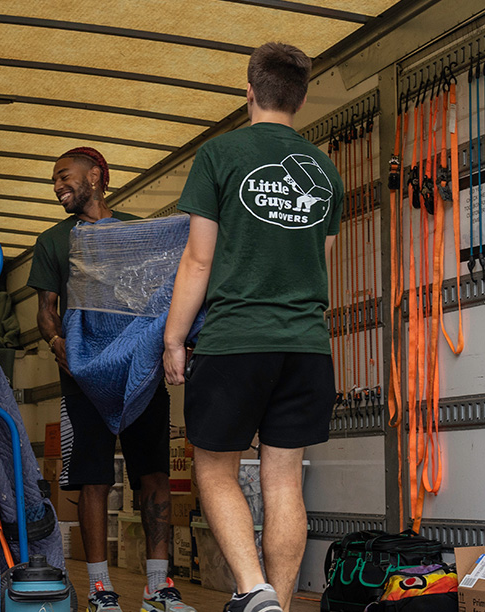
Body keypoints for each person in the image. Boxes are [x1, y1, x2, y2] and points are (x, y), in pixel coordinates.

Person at [162, 43, 343, 612]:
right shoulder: (326, 170)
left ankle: (254, 590)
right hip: (306, 347)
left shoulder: (220, 156)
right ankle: (279, 607)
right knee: (284, 480)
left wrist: (172, 336)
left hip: (235, 341)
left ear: (248, 90)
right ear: (302, 97)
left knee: (214, 469)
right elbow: (324, 256)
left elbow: (197, 260)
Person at [28, 147, 193, 612]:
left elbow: (173, 290)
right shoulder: (53, 240)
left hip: (140, 371)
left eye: (64, 176)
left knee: (155, 474)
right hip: (84, 377)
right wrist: (59, 345)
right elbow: (46, 311)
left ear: (96, 176)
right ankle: (101, 589)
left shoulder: (141, 231)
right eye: (55, 180)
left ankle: (158, 588)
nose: (58, 186)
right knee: (94, 478)